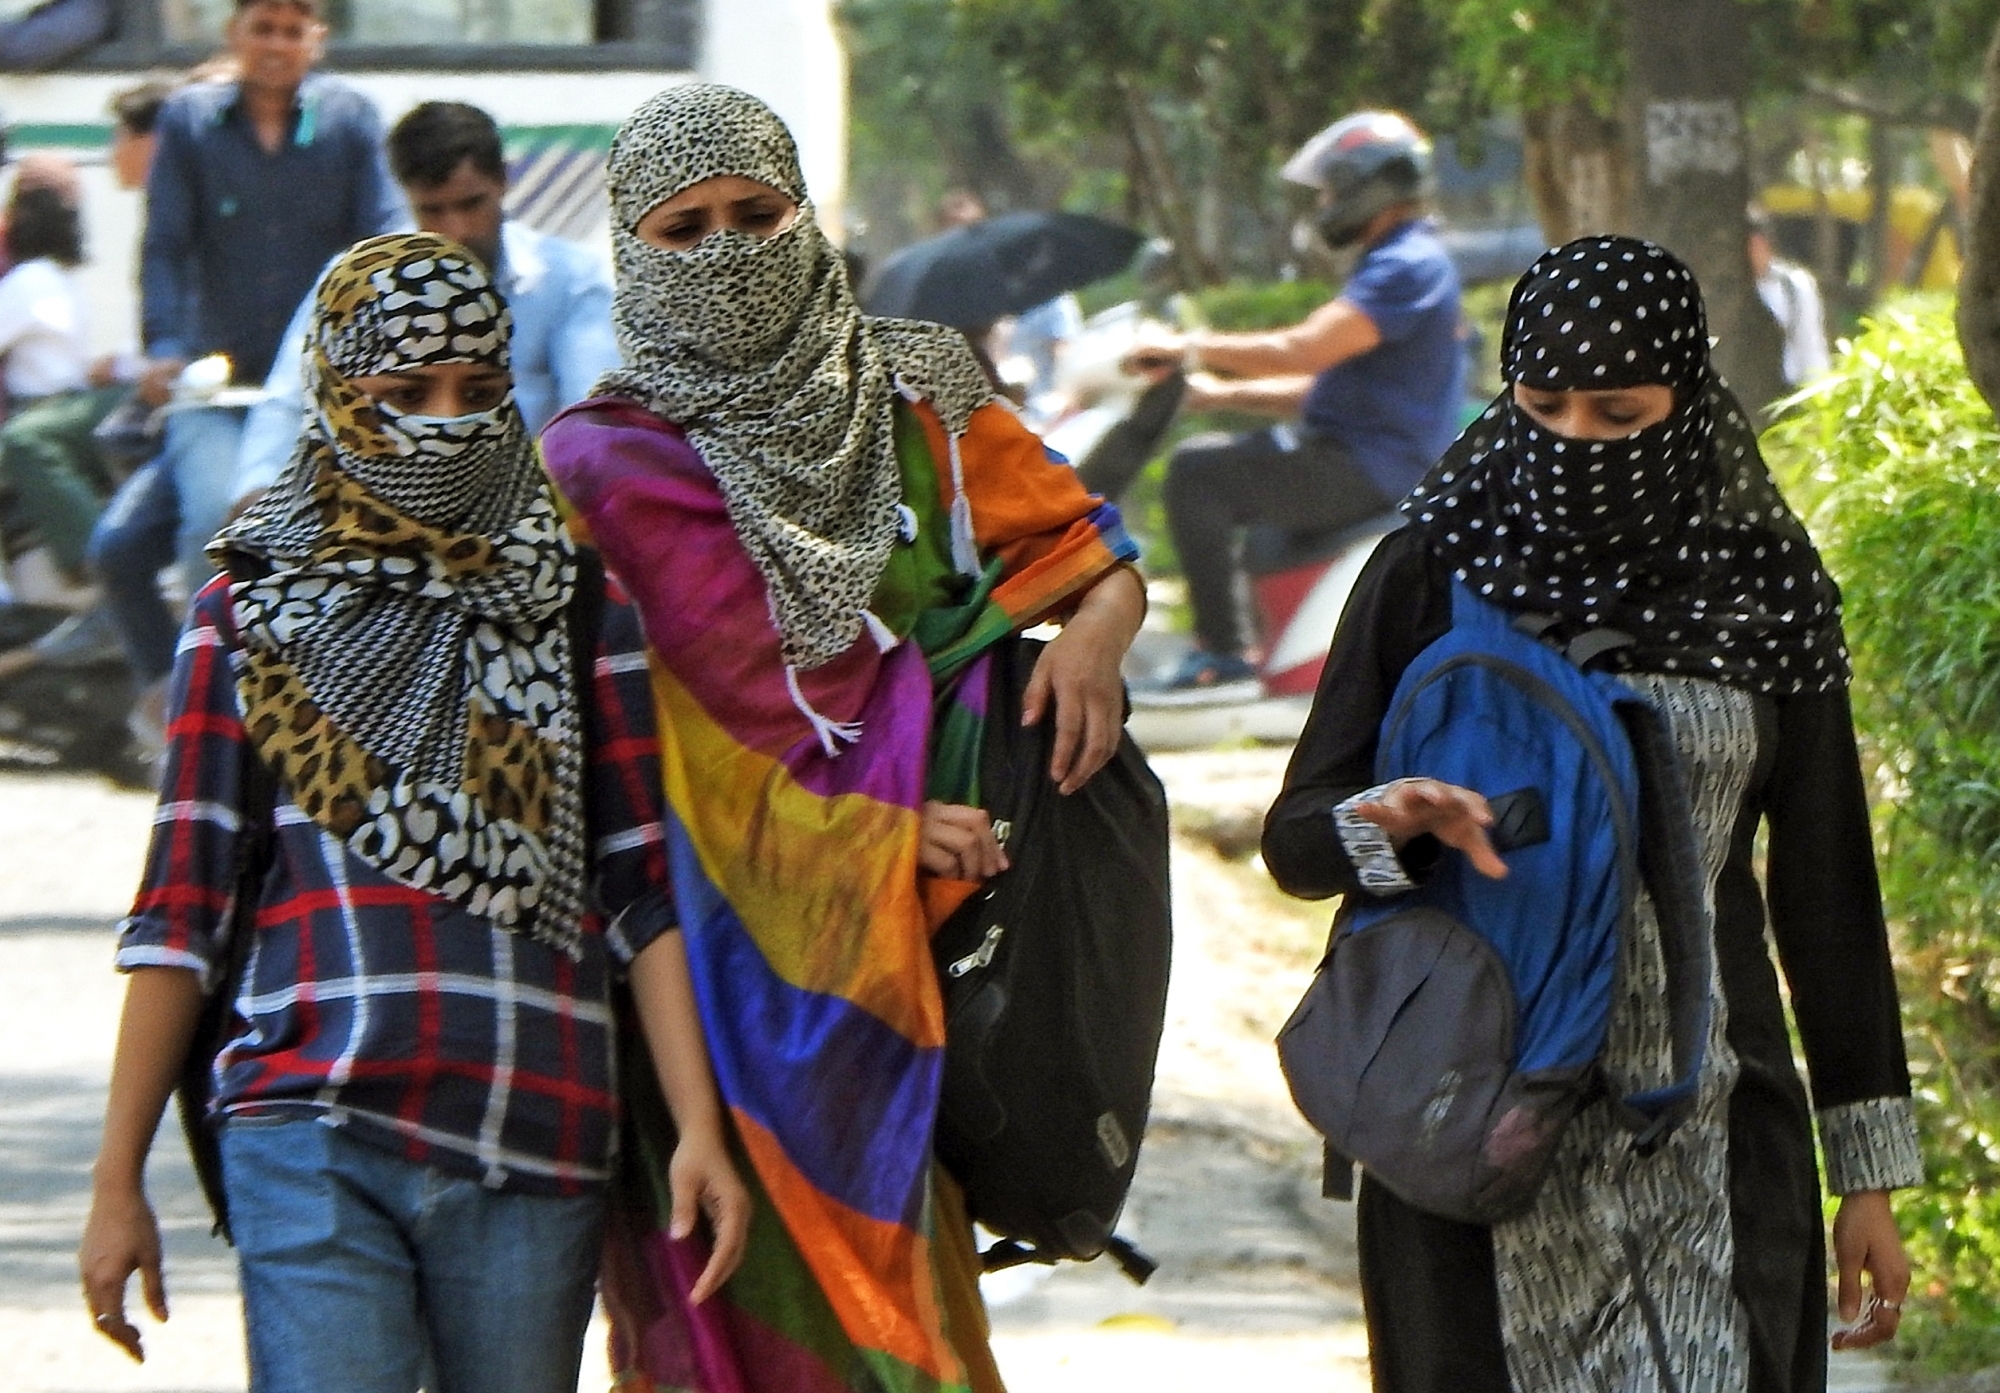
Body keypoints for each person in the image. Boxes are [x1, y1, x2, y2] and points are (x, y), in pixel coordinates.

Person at [540, 84, 1147, 1393]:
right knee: (715, 1315)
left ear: (806, 214)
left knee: (897, 1312)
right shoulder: (594, 467)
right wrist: (861, 832)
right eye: (684, 227)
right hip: (698, 979)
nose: (726, 250)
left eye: (756, 215)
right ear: (630, 249)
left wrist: (1097, 631)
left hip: (903, 948)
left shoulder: (916, 389)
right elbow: (618, 750)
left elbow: (1085, 543)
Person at [76, 233, 750, 1389]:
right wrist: (114, 1179)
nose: (445, 421)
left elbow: (640, 891)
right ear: (339, 392)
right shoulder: (246, 614)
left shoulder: (578, 609)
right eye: (405, 393)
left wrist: (697, 1126)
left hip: (536, 1125)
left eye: (480, 394)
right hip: (309, 1118)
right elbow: (180, 911)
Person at [1262, 236, 1919, 1393]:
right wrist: (1386, 819)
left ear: (1684, 400)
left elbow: (1825, 893)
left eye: (1618, 415)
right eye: (1543, 405)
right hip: (1464, 1131)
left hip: (1710, 1136)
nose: (1574, 443)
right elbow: (1301, 842)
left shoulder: (1762, 588)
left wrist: (1865, 1172)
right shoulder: (1429, 568)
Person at [86, 0, 404, 725]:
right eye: (262, 27)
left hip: (319, 383)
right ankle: (207, 707)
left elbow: (383, 234)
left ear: (315, 41)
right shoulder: (191, 123)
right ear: (234, 35)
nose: (276, 45)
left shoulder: (352, 121)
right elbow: (164, 246)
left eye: (292, 31)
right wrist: (164, 346)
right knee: (210, 519)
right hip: (215, 383)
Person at [1129, 111, 1464, 692]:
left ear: (1372, 186)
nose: (1325, 203)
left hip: (1373, 468)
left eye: (1332, 189)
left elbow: (1303, 350)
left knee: (1197, 474)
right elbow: (1329, 390)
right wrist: (1218, 394)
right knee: (1261, 532)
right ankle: (1278, 665)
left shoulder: (1405, 268)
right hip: (1366, 457)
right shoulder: (1399, 263)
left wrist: (1184, 347)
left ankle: (1225, 659)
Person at [232, 99, 619, 506]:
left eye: (471, 204)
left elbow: (589, 420)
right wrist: (258, 493)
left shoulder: (570, 281)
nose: (457, 231)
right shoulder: (357, 282)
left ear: (503, 181)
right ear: (406, 200)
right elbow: (291, 402)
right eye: (433, 211)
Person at [0, 181, 126, 612]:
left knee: (19, 441)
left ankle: (86, 558)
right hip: (70, 403)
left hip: (47, 409)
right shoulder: (60, 278)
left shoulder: (28, 280)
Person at [1749, 205, 1831, 388]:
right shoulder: (1722, 290)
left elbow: (1811, 347)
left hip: (1786, 390)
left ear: (1762, 242)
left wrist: (1820, 396)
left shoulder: (1794, 286)